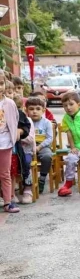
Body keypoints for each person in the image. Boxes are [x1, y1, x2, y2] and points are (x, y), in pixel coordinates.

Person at [26, 96, 53, 193]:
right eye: (31, 109)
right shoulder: (25, 122)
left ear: (43, 110)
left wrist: (39, 147)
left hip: (42, 146)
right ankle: (27, 181)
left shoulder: (47, 123)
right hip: (28, 146)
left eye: (38, 109)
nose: (34, 111)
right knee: (23, 159)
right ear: (27, 110)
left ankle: (42, 178)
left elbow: (50, 138)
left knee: (47, 156)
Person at [0, 80, 20, 212]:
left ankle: (8, 202)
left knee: (4, 173)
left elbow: (14, 121)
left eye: (1, 83)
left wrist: (12, 140)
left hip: (4, 143)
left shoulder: (9, 103)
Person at [14, 94, 33, 204]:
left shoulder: (25, 119)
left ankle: (27, 188)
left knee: (24, 163)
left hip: (23, 149)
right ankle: (9, 193)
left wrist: (19, 134)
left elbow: (29, 136)